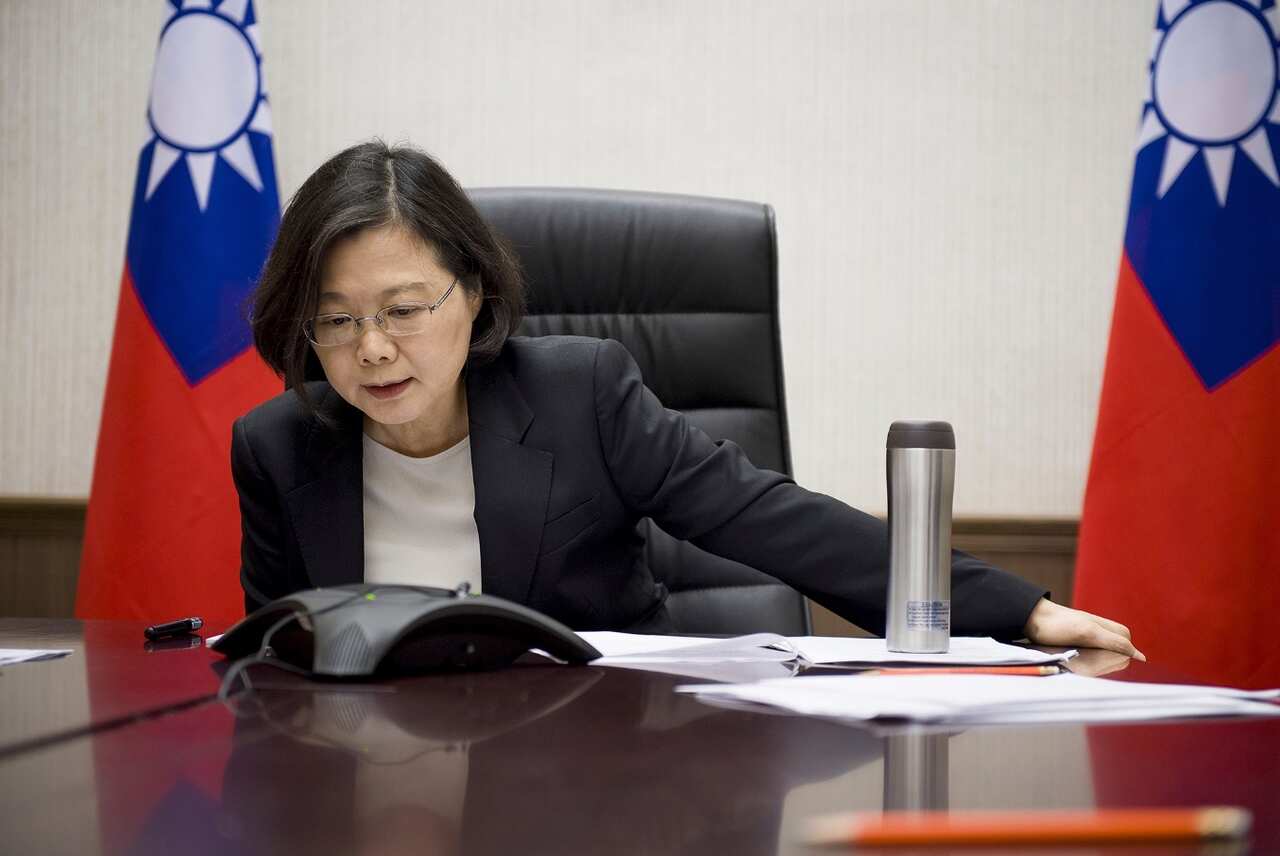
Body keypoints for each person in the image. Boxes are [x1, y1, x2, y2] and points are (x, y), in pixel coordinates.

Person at [233, 139, 1143, 658]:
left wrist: (1020, 611)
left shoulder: (578, 393)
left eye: (401, 310)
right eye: (336, 321)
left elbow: (768, 518)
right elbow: (277, 657)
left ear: (471, 293)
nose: (374, 349)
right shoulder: (278, 445)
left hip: (598, 765)